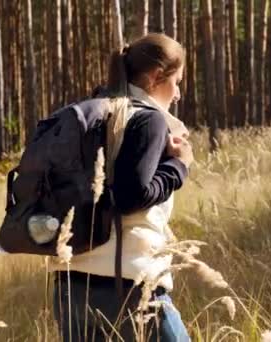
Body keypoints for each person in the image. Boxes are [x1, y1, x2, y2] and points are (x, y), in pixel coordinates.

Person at [51, 33, 194, 342]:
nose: (179, 93)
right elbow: (132, 197)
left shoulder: (92, 114)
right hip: (128, 285)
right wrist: (178, 166)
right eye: (177, 81)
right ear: (157, 77)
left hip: (69, 286)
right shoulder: (148, 120)